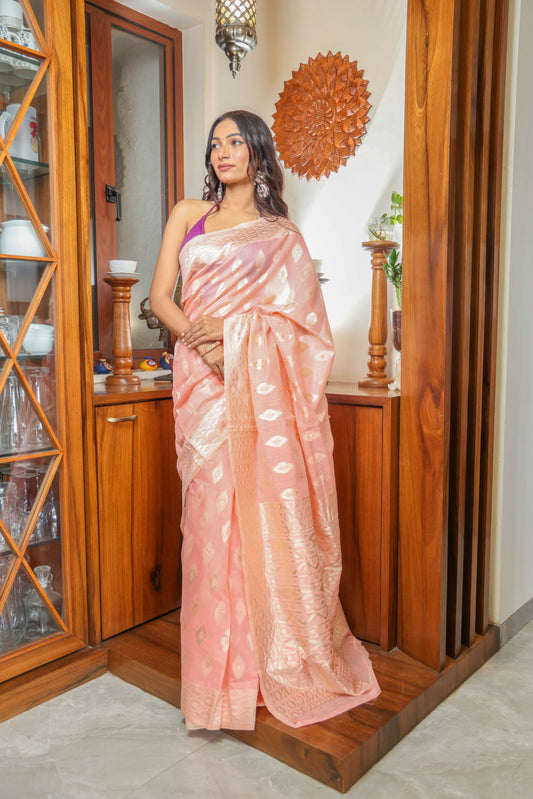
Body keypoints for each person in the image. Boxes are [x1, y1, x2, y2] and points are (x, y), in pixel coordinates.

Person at [149, 109, 380, 731]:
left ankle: (258, 671)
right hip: (202, 384)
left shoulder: (281, 235)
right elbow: (161, 297)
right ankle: (214, 685)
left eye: (234, 142)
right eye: (214, 143)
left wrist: (238, 338)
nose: (222, 152)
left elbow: (306, 326)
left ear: (257, 152)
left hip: (256, 387)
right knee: (209, 525)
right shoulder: (187, 215)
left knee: (256, 518)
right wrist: (206, 345)